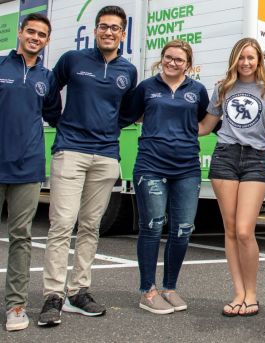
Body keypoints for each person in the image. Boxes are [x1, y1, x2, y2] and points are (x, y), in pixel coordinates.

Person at [38, 5, 137, 326]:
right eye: (103, 26)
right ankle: (53, 295)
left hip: (106, 156)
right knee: (62, 224)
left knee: (91, 226)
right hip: (70, 151)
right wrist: (60, 121)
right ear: (96, 31)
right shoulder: (72, 60)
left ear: (123, 34)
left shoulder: (128, 71)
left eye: (115, 28)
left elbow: (126, 110)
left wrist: (111, 129)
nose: (109, 32)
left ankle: (78, 291)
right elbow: (51, 92)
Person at [198, 37, 265, 317]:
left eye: (251, 57)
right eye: (241, 57)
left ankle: (252, 293)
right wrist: (166, 124)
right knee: (229, 230)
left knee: (244, 230)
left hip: (254, 159)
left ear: (259, 60)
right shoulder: (222, 89)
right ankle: (238, 292)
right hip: (225, 156)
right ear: (234, 60)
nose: (246, 62)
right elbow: (205, 127)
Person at [119, 40, 209, 315]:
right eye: (168, 57)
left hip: (187, 168)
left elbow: (207, 121)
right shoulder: (147, 87)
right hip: (151, 166)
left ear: (189, 65)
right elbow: (126, 116)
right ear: (161, 59)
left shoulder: (197, 90)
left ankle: (169, 287)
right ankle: (147, 291)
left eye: (179, 60)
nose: (172, 63)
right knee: (153, 226)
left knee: (183, 229)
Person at [0, 13, 61, 331]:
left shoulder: (47, 78)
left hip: (28, 166)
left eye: (42, 34)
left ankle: (16, 306)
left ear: (47, 40)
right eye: (31, 32)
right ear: (20, 33)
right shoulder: (1, 66)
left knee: (21, 237)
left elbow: (54, 114)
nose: (35, 37)